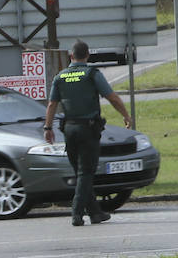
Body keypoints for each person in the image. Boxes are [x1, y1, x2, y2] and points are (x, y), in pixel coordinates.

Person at [43, 40, 134, 227]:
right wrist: (126, 115)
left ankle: (95, 213)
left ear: (71, 56)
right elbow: (112, 97)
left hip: (68, 129)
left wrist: (48, 128)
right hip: (88, 129)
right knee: (86, 172)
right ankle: (76, 213)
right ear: (87, 56)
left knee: (80, 172)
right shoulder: (92, 74)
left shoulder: (60, 77)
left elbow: (52, 104)